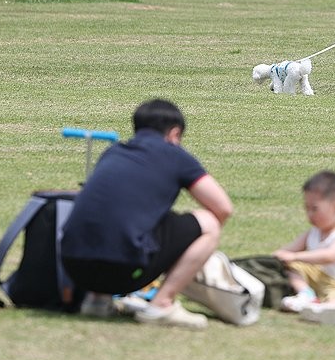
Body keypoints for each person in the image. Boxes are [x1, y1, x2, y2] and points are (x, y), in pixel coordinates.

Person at [59, 99, 233, 330]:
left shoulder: (112, 152)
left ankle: (97, 300)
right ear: (174, 133)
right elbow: (223, 208)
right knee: (209, 223)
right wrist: (184, 258)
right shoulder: (175, 155)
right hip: (123, 271)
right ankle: (162, 304)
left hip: (73, 267)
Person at [274, 171, 335, 326]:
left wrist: (295, 257)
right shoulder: (313, 233)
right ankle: (306, 295)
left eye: (314, 209)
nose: (309, 215)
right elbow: (288, 252)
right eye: (306, 208)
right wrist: (279, 256)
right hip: (316, 285)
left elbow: (330, 256)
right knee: (290, 265)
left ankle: (333, 310)